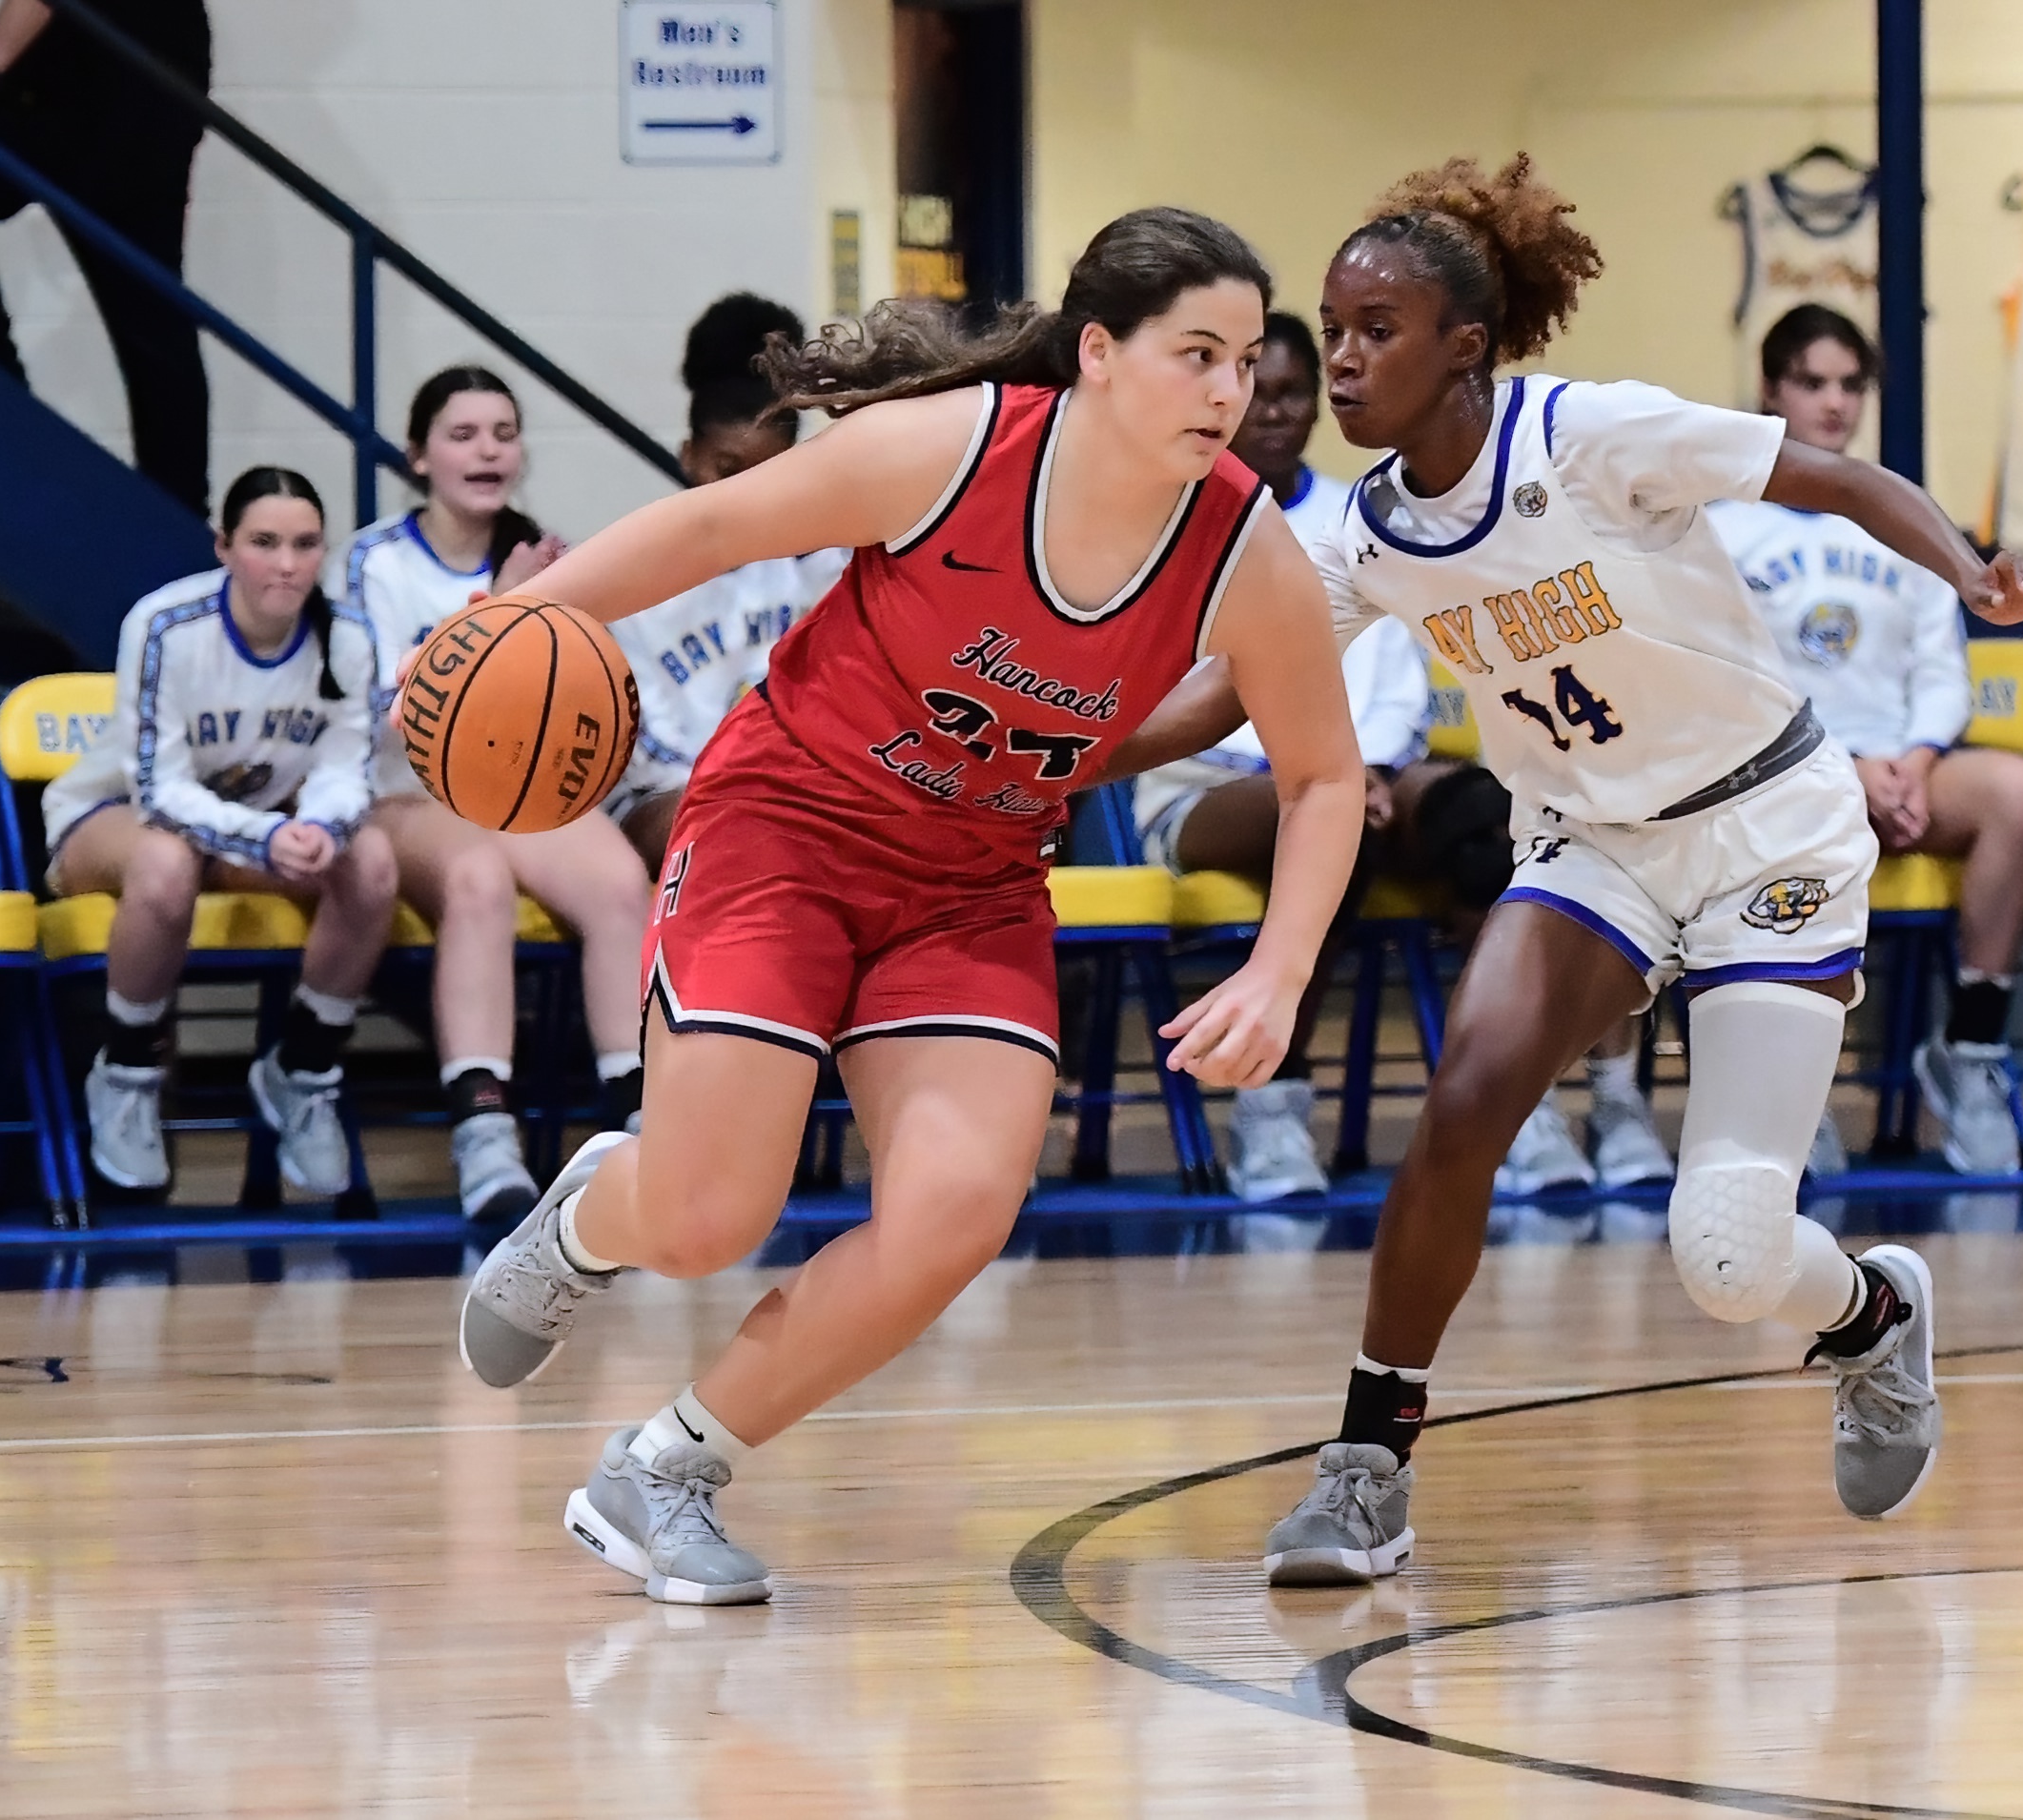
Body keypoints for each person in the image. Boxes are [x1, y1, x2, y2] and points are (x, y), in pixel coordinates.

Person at [1103, 154, 2023, 1585]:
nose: (1342, 361)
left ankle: (1867, 1317)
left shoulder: (1594, 438)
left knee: (1727, 1256)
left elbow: (1837, 475)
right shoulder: (1361, 531)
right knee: (1465, 1102)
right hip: (1589, 846)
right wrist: (1062, 747)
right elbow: (1230, 689)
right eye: (1334, 328)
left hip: (1760, 833)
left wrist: (1967, 571)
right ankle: (1365, 1465)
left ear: (1463, 349)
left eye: (1376, 333)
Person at [449, 210, 1364, 1606]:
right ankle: (596, 1214)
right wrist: (511, 628)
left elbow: (1321, 775)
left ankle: (666, 1466)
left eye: (1243, 361)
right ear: (1101, 355)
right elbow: (705, 531)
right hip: (787, 829)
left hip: (971, 880)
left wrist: (1280, 972)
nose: (1232, 391)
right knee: (704, 1218)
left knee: (954, 1210)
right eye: (1198, 355)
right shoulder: (949, 453)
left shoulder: (1241, 544)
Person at [1136, 310, 1674, 1200]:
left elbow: (1391, 673)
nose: (1269, 411)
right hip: (1210, 789)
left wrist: (1365, 770)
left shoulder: (1361, 513)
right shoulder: (1173, 517)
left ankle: (1529, 1101)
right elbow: (1198, 696)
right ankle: (1271, 1112)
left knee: (1497, 821)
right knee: (1320, 828)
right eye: (1253, 394)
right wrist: (1323, 779)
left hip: (1358, 768)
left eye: (1290, 394)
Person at [1711, 304, 2023, 1177]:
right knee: (1794, 812)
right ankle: (1798, 1088)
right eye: (1812, 381)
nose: (1833, 402)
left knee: (2019, 792)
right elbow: (1734, 684)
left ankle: (1970, 1052)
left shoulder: (1902, 521)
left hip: (1901, 766)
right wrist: (1841, 768)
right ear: (1770, 388)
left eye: (1850, 384)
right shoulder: (1721, 525)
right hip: (1782, 773)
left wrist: (1916, 759)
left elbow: (1941, 670)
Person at [347, 366, 655, 1227]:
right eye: (463, 433)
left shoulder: (553, 554)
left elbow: (586, 697)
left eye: (504, 432)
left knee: (618, 882)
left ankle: (640, 1117)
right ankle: (484, 1131)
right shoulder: (375, 560)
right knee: (476, 878)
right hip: (402, 792)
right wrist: (503, 609)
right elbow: (383, 708)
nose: (488, 449)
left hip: (515, 790)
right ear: (418, 456)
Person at [40, 466, 391, 1195]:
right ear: (224, 546)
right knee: (166, 863)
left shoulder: (349, 635)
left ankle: (304, 1066)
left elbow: (345, 765)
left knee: (371, 858)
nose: (288, 564)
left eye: (304, 544)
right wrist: (265, 837)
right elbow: (156, 788)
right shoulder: (166, 624)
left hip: (246, 828)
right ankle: (129, 1070)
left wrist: (320, 826)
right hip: (111, 820)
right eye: (265, 542)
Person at [0, 0, 211, 511]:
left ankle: (10, 423)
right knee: (147, 303)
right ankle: (176, 511)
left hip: (117, 54)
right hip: (123, 54)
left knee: (145, 299)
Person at [609, 294, 850, 865]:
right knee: (740, 828)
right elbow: (642, 742)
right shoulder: (635, 575)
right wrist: (746, 787)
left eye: (766, 474)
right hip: (670, 792)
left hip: (800, 793)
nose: (743, 491)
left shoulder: (829, 565)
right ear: (689, 455)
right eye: (726, 470)